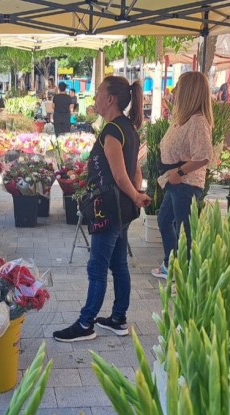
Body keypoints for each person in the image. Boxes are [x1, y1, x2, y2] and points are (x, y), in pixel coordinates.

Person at [53, 76, 150, 343]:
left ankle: (86, 323)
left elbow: (120, 175)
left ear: (110, 99)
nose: (94, 97)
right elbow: (136, 170)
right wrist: (134, 195)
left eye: (98, 93)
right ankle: (118, 318)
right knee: (119, 265)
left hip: (108, 209)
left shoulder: (112, 131)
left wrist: (135, 196)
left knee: (97, 268)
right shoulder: (128, 128)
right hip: (120, 209)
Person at [151, 71, 214, 279]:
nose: (174, 90)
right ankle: (172, 265)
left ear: (188, 91)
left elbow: (204, 155)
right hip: (175, 182)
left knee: (184, 231)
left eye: (179, 86)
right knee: (164, 220)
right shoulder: (184, 118)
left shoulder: (198, 121)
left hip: (186, 183)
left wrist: (179, 172)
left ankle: (183, 276)